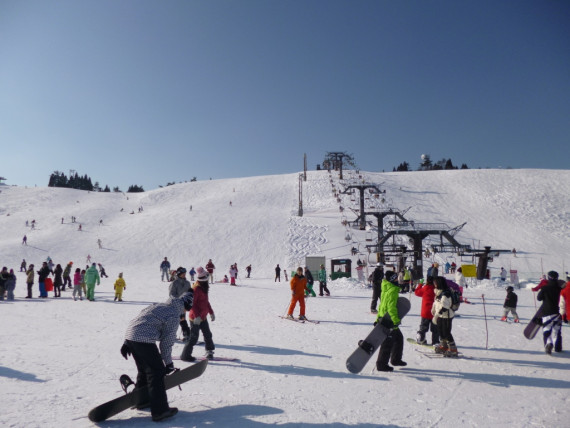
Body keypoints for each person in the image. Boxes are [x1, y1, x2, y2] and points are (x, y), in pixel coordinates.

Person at [120, 292, 194, 422]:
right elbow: (166, 343)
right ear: (185, 306)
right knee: (156, 372)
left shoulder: (158, 306)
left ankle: (142, 400)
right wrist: (168, 363)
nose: (185, 313)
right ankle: (160, 410)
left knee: (145, 370)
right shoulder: (173, 316)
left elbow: (139, 319)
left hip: (132, 335)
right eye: (187, 310)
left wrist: (127, 342)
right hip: (143, 339)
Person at [180, 267, 215, 361]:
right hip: (195, 318)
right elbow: (192, 304)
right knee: (193, 337)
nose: (207, 279)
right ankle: (185, 355)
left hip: (203, 317)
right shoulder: (196, 289)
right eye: (206, 277)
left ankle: (210, 351)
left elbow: (206, 302)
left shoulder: (204, 287)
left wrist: (211, 312)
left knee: (208, 334)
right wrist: (197, 316)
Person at [374, 271, 407, 371]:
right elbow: (391, 307)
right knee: (387, 342)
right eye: (396, 278)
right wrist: (396, 320)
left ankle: (396, 359)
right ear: (393, 279)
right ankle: (381, 364)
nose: (398, 280)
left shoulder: (385, 288)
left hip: (384, 317)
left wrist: (378, 318)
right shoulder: (392, 290)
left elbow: (381, 306)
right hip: (388, 320)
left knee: (398, 339)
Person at [537, 271, 563, 354]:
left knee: (547, 329)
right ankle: (558, 347)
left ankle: (549, 343)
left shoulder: (545, 288)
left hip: (547, 312)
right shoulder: (560, 289)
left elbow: (539, 298)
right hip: (558, 313)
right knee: (557, 330)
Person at [432, 276, 458, 357]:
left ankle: (453, 349)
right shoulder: (438, 292)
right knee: (440, 332)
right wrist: (433, 309)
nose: (434, 284)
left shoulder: (445, 293)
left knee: (446, 332)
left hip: (447, 316)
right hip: (441, 316)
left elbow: (444, 307)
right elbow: (437, 302)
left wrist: (436, 315)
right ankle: (444, 346)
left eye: (435, 283)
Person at [414, 276, 439, 345]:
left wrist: (420, 284)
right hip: (434, 312)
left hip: (425, 312)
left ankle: (421, 338)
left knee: (423, 327)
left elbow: (416, 292)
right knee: (435, 329)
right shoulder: (436, 290)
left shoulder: (425, 288)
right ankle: (435, 342)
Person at [169, 267, 192, 340]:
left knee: (182, 319)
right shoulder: (174, 283)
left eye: (185, 273)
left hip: (184, 305)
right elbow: (171, 294)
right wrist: (178, 301)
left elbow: (189, 293)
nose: (184, 275)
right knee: (175, 320)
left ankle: (187, 334)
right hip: (175, 305)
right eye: (182, 274)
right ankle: (169, 335)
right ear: (179, 274)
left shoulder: (187, 283)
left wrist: (189, 302)